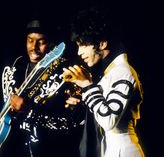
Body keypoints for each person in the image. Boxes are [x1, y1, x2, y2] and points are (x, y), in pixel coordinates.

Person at [0, 18, 90, 157]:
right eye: (30, 40)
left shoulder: (67, 73)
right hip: (7, 149)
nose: (34, 47)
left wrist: (31, 111)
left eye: (41, 41)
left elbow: (70, 123)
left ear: (52, 44)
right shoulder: (13, 66)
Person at [62, 7, 145, 157]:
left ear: (102, 43)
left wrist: (88, 86)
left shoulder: (123, 72)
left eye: (83, 45)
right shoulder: (112, 72)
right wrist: (82, 102)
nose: (79, 52)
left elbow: (108, 120)